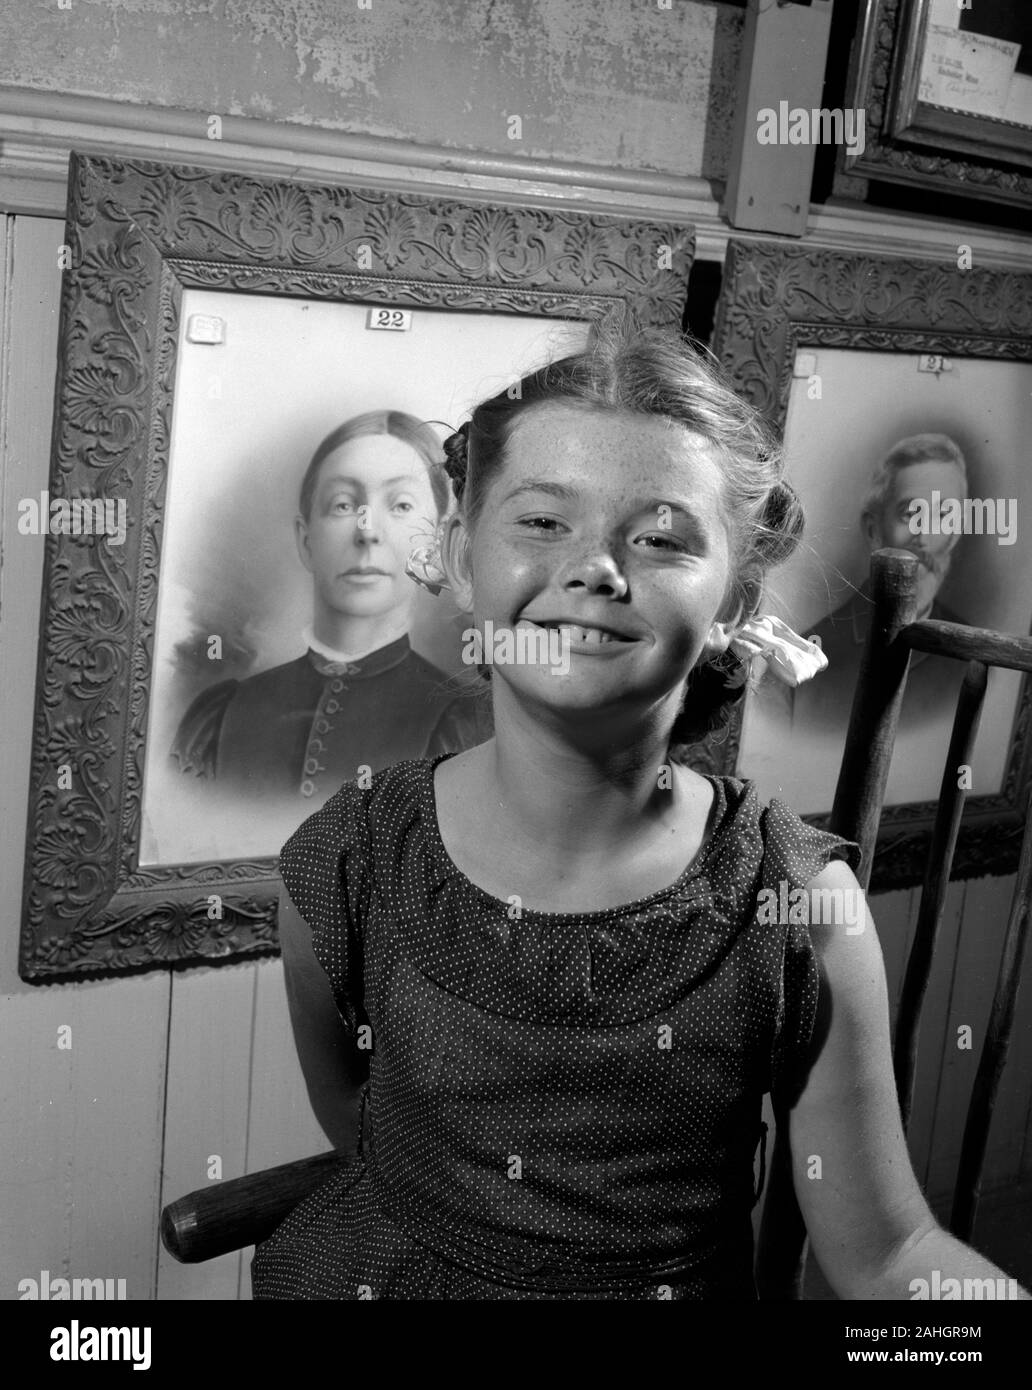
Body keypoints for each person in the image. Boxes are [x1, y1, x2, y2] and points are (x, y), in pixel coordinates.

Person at [250, 329, 1027, 1300]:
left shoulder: (796, 911)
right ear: (456, 557)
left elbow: (888, 1253)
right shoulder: (348, 865)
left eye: (661, 538)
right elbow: (362, 1128)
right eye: (541, 521)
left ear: (736, 598)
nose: (598, 569)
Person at [170, 411, 492, 809]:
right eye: (342, 504)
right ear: (307, 541)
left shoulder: (466, 723)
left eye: (401, 504)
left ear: (439, 539)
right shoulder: (219, 716)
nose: (367, 530)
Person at [788, 434, 970, 735]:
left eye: (943, 515)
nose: (923, 538)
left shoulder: (970, 659)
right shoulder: (808, 658)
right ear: (873, 530)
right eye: (910, 513)